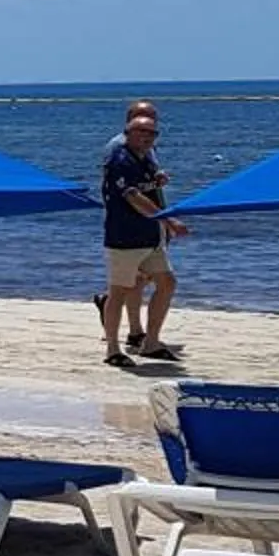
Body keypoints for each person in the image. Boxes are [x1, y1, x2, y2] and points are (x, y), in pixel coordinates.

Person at [98, 102, 189, 367]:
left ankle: (150, 341)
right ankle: (113, 349)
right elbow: (133, 196)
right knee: (119, 291)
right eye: (141, 131)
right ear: (128, 131)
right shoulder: (119, 156)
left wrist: (158, 180)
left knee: (166, 282)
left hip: (149, 235)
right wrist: (169, 220)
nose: (147, 137)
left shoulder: (146, 156)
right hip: (124, 236)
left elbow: (149, 187)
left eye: (152, 131)